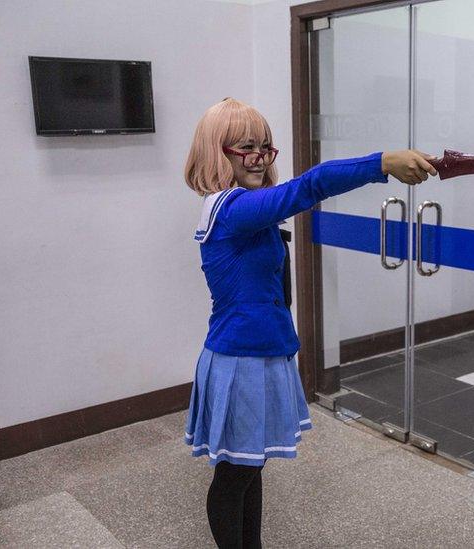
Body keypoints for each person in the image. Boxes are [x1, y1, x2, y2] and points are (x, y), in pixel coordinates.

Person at [182, 97, 436, 548]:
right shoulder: (230, 208)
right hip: (241, 360)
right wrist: (382, 162)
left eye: (264, 147)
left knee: (249, 467)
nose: (259, 157)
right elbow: (310, 185)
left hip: (260, 353)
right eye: (245, 148)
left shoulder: (244, 209)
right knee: (235, 475)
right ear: (216, 153)